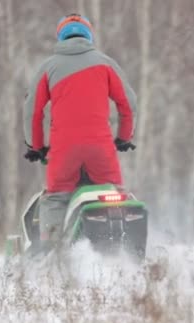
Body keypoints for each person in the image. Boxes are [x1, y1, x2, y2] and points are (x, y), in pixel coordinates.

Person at [22, 14, 137, 250]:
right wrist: (124, 137)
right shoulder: (105, 63)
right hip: (100, 149)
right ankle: (126, 248)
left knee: (55, 198)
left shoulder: (48, 67)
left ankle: (51, 257)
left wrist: (36, 146)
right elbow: (128, 103)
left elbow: (32, 112)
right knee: (114, 194)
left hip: (64, 151)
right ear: (88, 36)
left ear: (61, 37)